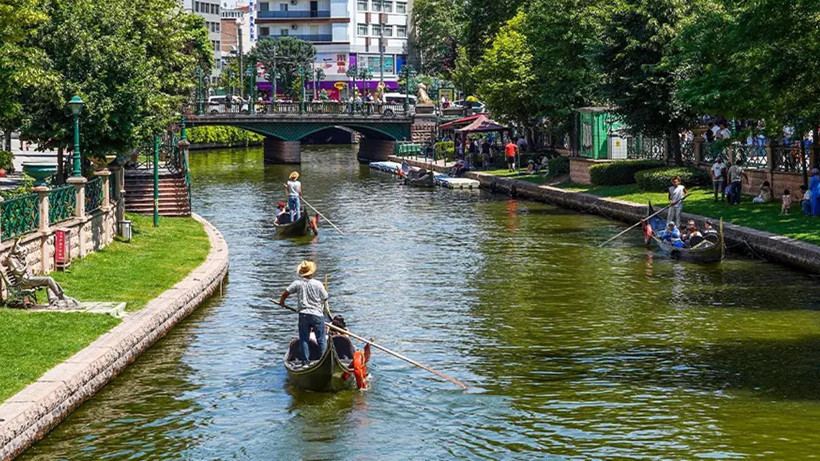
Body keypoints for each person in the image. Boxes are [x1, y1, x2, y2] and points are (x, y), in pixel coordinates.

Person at [279, 260, 330, 366]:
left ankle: (305, 363)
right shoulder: (318, 284)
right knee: (321, 339)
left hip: (304, 315)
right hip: (317, 315)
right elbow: (325, 297)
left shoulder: (297, 284)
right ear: (311, 272)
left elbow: (285, 293)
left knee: (304, 339)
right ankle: (324, 362)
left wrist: (282, 302)